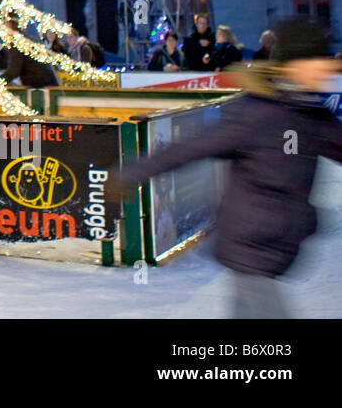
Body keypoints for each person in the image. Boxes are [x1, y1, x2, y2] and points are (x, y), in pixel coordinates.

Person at [114, 17, 342, 318]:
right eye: (318, 59)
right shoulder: (257, 113)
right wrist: (132, 173)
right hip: (251, 246)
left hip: (276, 247)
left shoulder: (310, 113)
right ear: (293, 63)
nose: (328, 67)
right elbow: (193, 146)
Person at [0, 17, 58, 88]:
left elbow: (13, 72)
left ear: (9, 25)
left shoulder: (17, 43)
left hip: (39, 86)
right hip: (48, 84)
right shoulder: (26, 39)